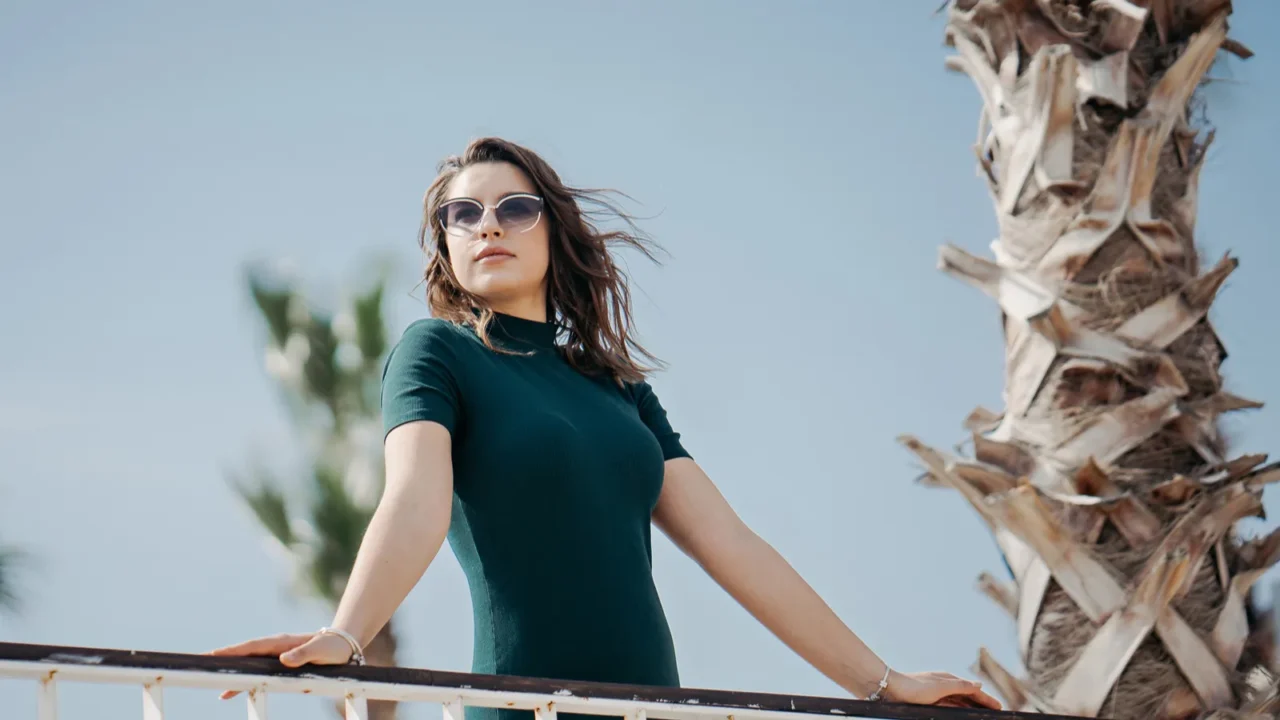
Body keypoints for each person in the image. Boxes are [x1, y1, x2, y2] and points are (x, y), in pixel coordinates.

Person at [211, 137, 1000, 715]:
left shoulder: (615, 385)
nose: (488, 225)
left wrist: (883, 682)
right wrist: (348, 635)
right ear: (445, 246)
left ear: (553, 231)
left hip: (651, 708)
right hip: (526, 709)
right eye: (463, 214)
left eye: (514, 208)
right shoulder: (436, 353)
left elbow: (733, 546)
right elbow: (414, 500)